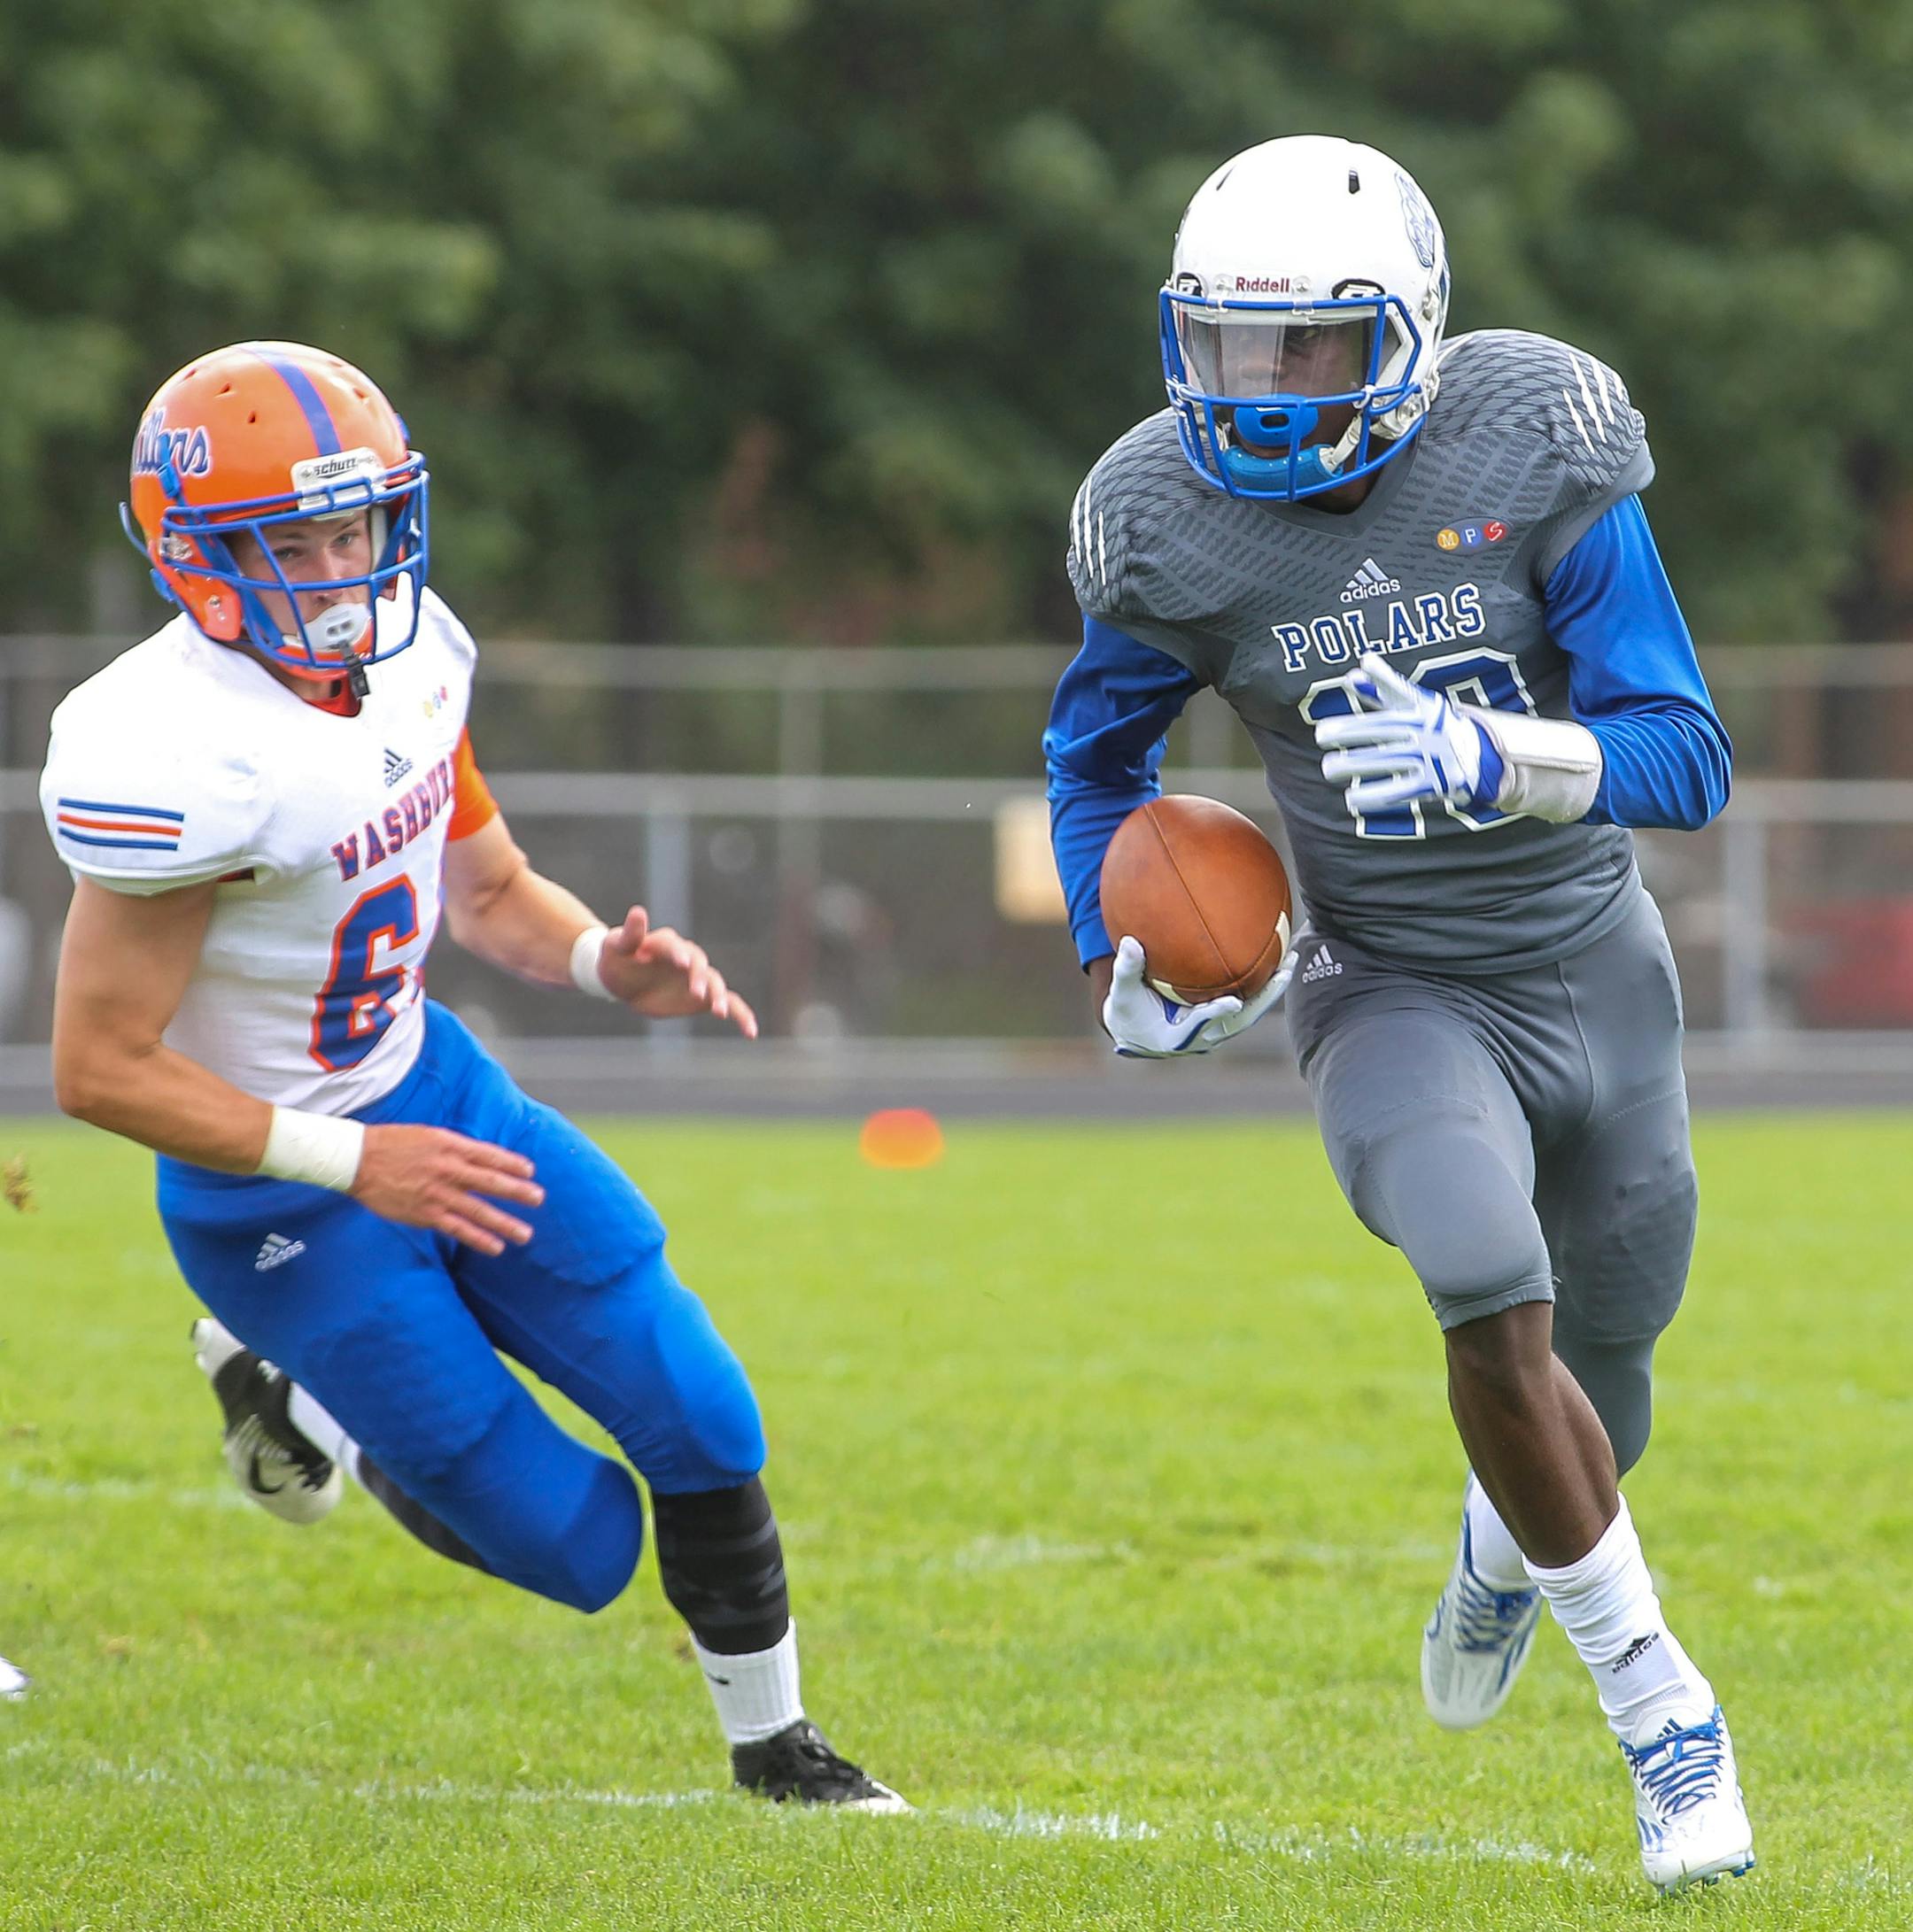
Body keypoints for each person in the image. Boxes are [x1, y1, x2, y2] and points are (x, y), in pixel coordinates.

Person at [41, 341, 903, 1811]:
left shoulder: (415, 650)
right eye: (291, 543)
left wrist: (594, 964)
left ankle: (778, 1749)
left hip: (441, 1093)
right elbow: (97, 1069)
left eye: (354, 527)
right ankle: (307, 1400)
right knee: (574, 1547)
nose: (338, 568)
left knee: (700, 1405)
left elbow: (490, 886)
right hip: (279, 1197)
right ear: (196, 560)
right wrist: (352, 1164)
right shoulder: (175, 752)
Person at [1044, 135, 1749, 1892]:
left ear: (1416, 329)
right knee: (1476, 1269)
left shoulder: (1535, 439)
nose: (1266, 399)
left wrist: (1498, 752)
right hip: (1393, 986)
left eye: (1314, 350)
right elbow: (1094, 759)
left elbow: (1689, 753)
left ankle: (1506, 1556)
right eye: (1227, 348)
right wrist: (1112, 957)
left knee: (1610, 1364)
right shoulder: (1165, 518)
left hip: (1593, 964)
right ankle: (1665, 1711)